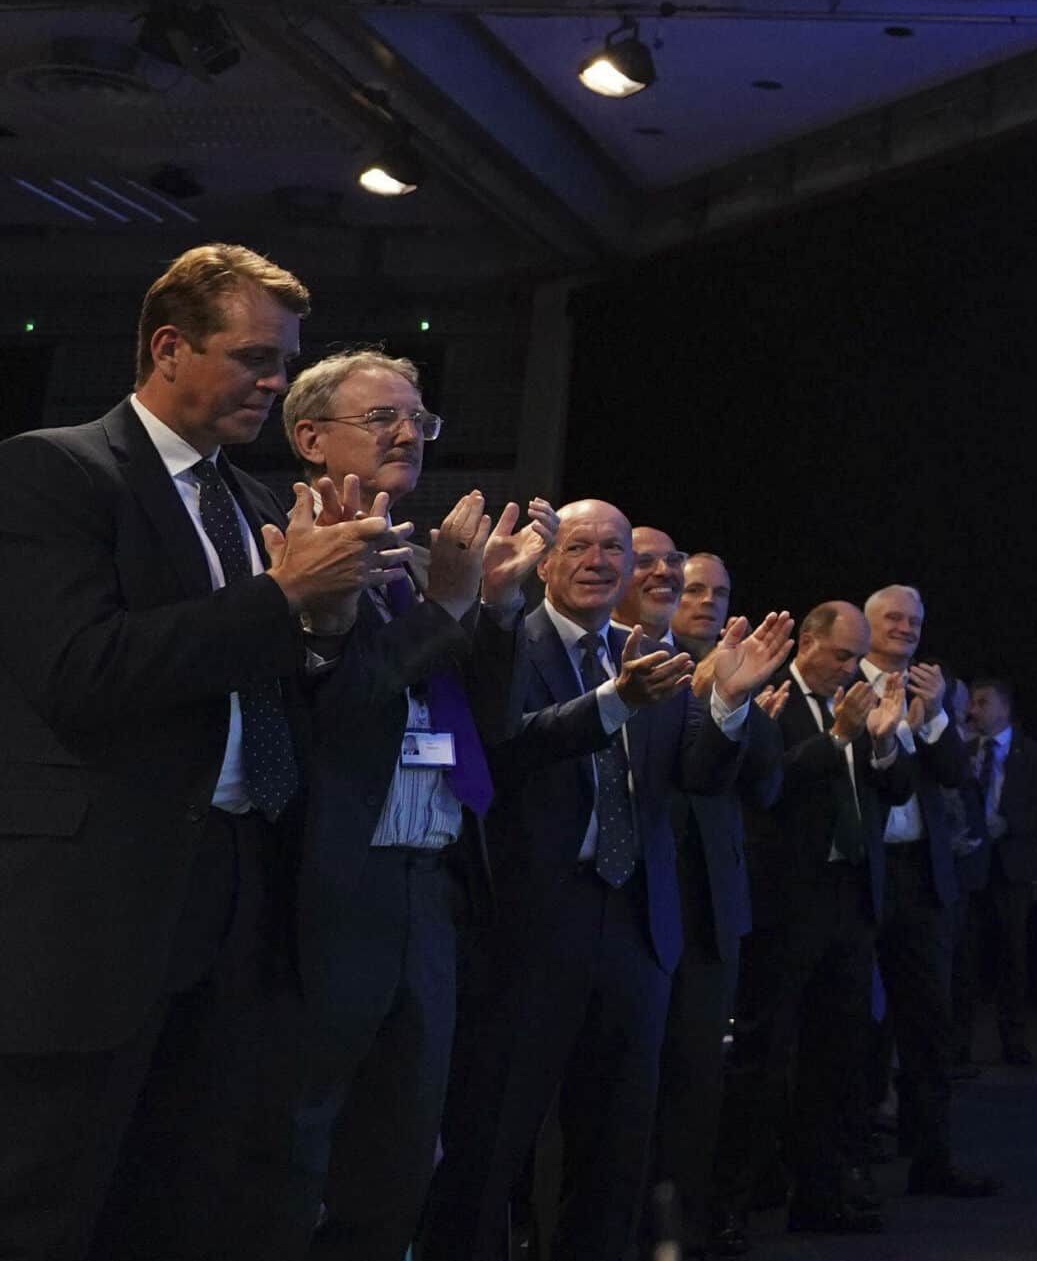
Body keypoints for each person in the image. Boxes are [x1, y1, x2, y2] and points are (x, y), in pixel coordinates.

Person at [0, 244, 409, 1261]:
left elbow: (287, 690)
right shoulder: (53, 470)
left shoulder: (261, 507)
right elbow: (82, 672)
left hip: (235, 899)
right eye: (254, 357)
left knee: (184, 1203)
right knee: (47, 1205)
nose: (274, 383)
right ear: (169, 347)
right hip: (94, 911)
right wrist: (281, 600)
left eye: (285, 362)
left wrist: (329, 623)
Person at [417, 502, 787, 1261]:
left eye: (613, 547)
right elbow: (501, 750)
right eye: (578, 545)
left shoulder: (652, 653)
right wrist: (613, 700)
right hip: (526, 926)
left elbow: (698, 774)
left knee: (616, 1154)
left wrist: (726, 702)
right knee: (491, 1148)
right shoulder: (504, 643)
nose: (597, 558)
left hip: (634, 926)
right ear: (544, 562)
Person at [280, 351, 549, 1261]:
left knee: (397, 1163)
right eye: (382, 417)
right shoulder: (287, 547)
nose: (408, 435)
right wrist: (451, 602)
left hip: (426, 887)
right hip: (325, 887)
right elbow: (345, 704)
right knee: (292, 1157)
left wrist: (499, 610)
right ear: (310, 437)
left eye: (420, 420)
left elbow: (489, 727)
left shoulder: (413, 556)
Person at [718, 603, 913, 1240]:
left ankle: (822, 1194)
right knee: (765, 1057)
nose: (850, 667)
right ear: (807, 642)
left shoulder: (860, 704)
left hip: (849, 902)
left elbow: (901, 790)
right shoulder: (776, 698)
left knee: (839, 1057)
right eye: (839, 655)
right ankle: (731, 1208)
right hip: (785, 905)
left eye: (857, 657)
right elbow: (766, 786)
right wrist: (835, 738)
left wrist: (883, 741)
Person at [645, 550, 788, 1261]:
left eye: (718, 591)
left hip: (711, 910)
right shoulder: (640, 662)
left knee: (700, 1088)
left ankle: (691, 1230)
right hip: (636, 900)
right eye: (691, 586)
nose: (702, 599)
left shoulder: (736, 675)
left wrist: (733, 706)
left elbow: (765, 787)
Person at [857, 585, 996, 1199]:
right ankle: (848, 1161)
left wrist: (935, 714)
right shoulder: (842, 684)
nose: (905, 629)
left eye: (914, 621)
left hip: (920, 876)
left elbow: (957, 776)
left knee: (929, 1026)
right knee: (852, 1026)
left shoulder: (929, 693)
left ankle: (931, 1158)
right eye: (893, 618)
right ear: (866, 626)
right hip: (857, 874)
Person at [953, 678, 1037, 1068]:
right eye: (972, 703)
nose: (972, 711)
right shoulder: (963, 751)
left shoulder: (1033, 754)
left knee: (1013, 957)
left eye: (982, 703)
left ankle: (1014, 1040)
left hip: (1012, 868)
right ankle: (959, 1044)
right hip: (971, 868)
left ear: (1004, 708)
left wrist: (1007, 824)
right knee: (964, 958)